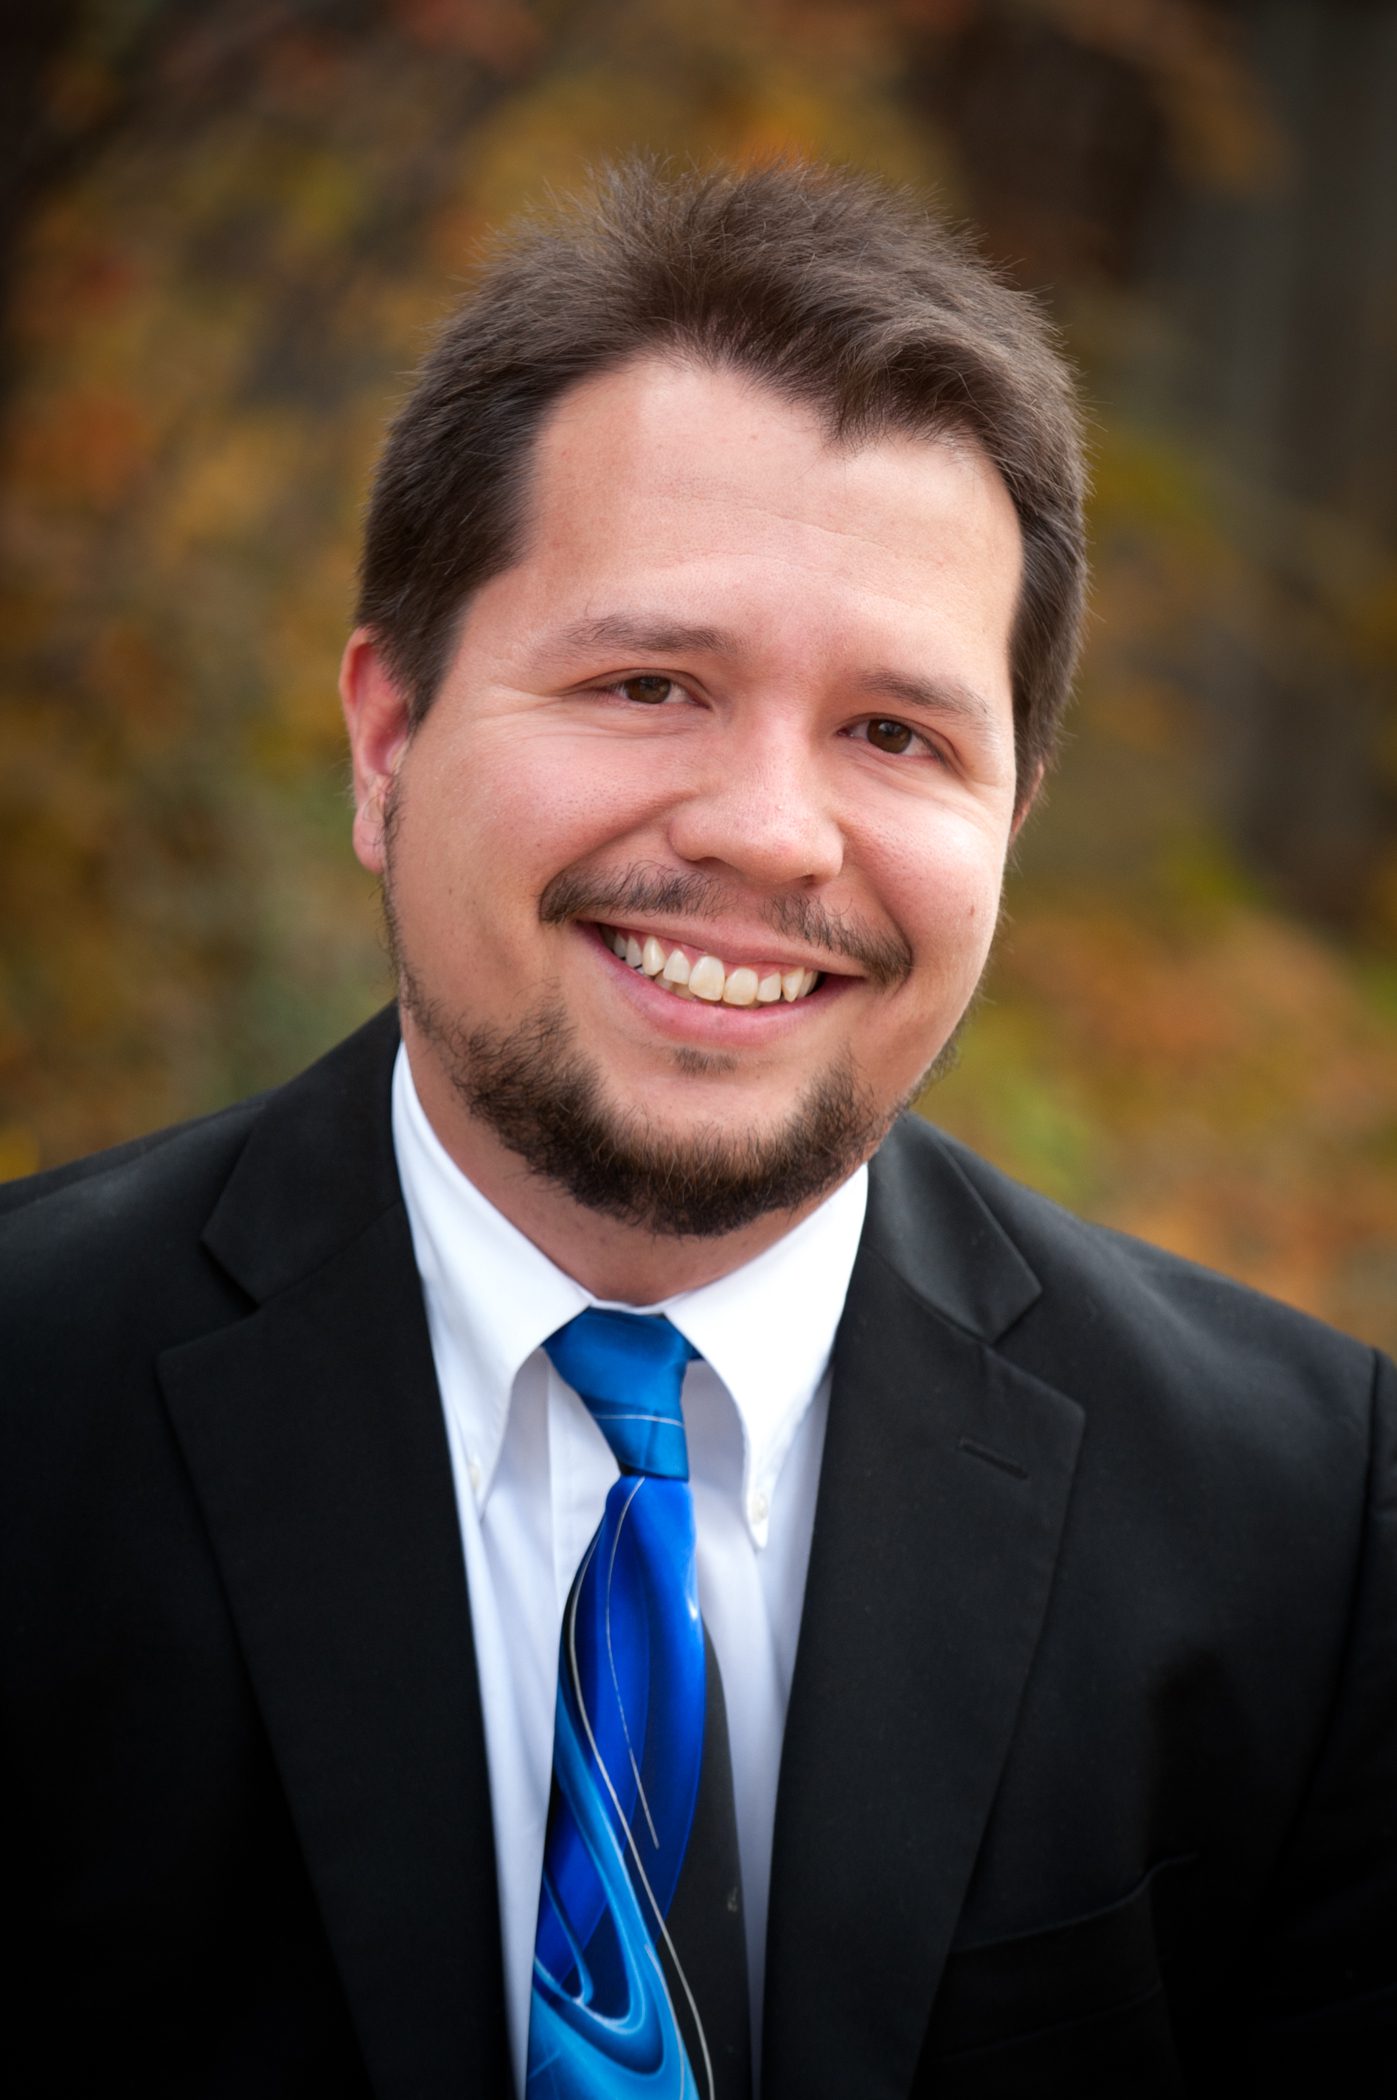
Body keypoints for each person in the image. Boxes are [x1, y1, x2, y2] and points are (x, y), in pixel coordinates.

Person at [2, 160, 1393, 2099]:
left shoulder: (1312, 1523)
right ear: (389, 739)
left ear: (1011, 817)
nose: (766, 832)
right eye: (649, 682)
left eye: (896, 734)